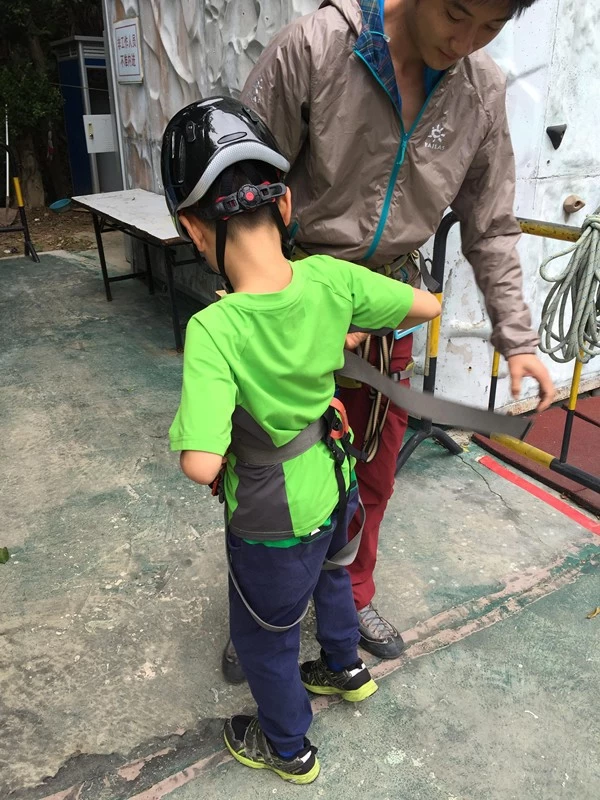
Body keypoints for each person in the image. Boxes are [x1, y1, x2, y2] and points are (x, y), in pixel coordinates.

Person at [226, 0, 556, 671]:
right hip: (290, 297)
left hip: (384, 307)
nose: (464, 41)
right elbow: (242, 188)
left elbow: (489, 224)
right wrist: (286, 303)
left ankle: (351, 592)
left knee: (370, 471)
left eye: (489, 27)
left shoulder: (480, 89)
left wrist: (518, 340)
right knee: (268, 482)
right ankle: (261, 617)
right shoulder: (315, 48)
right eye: (456, 14)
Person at [163, 97, 442, 783]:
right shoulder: (329, 280)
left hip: (270, 512)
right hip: (334, 480)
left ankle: (289, 747)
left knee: (266, 638)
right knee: (334, 573)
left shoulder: (216, 331)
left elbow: (200, 464)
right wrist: (337, 327)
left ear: (194, 231)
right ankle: (345, 668)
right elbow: (425, 306)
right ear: (285, 209)